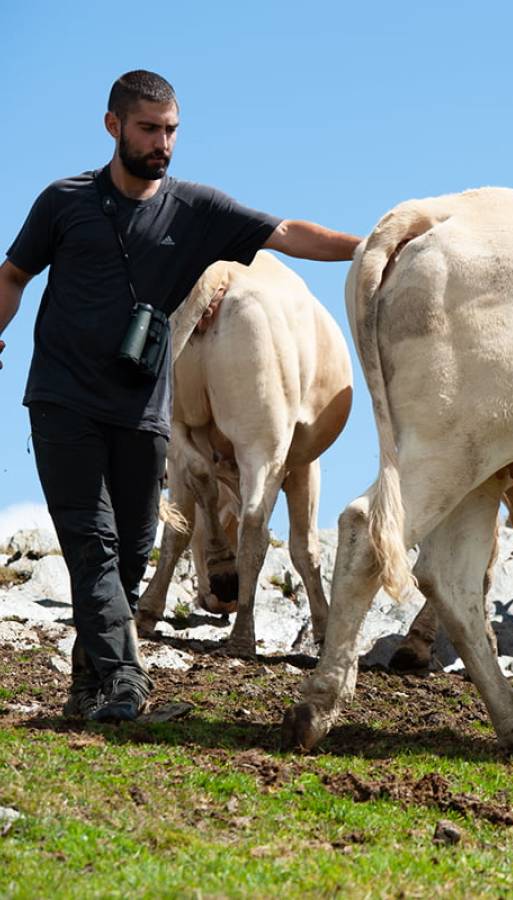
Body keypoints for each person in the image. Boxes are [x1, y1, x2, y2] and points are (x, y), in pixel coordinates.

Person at [0, 70, 361, 723]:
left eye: (171, 130)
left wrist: (371, 247)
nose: (162, 142)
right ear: (113, 126)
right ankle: (126, 681)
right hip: (62, 399)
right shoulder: (63, 201)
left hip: (144, 411)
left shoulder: (196, 209)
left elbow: (289, 234)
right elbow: (14, 274)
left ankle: (87, 686)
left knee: (135, 548)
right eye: (148, 129)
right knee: (91, 542)